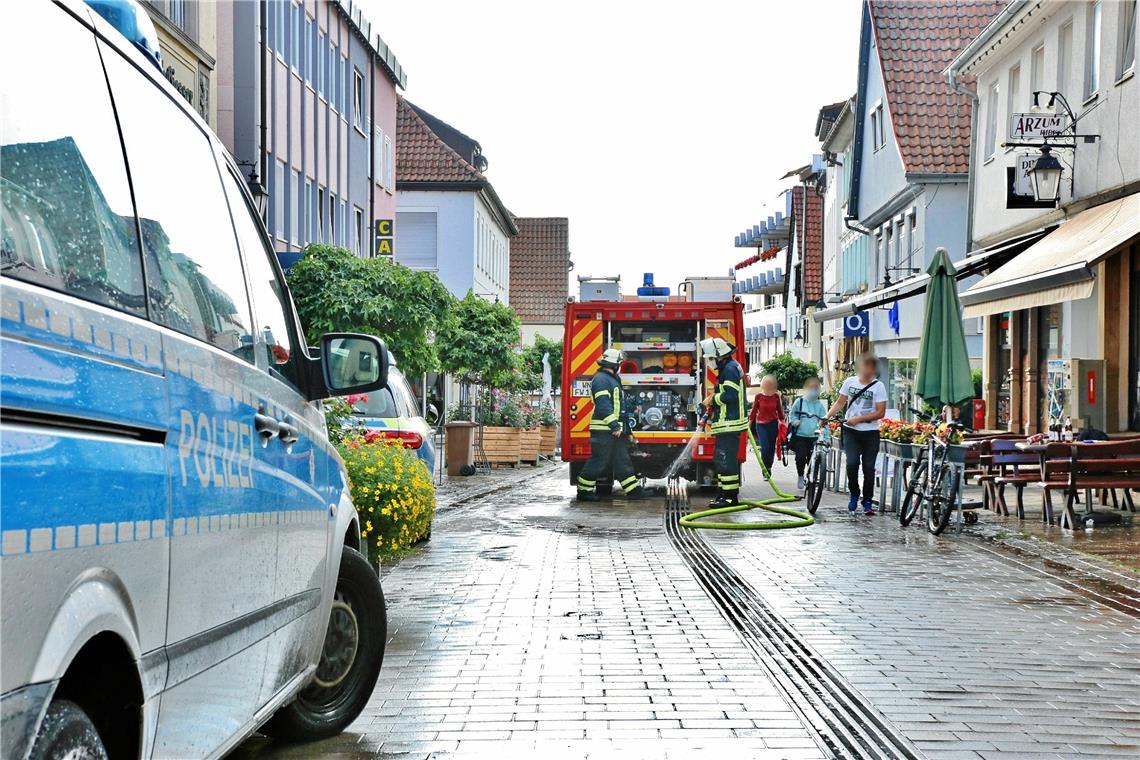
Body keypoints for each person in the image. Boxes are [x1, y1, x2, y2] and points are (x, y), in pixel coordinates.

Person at [576, 348, 645, 501]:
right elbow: (603, 406)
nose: (621, 365)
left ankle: (634, 491)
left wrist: (627, 425)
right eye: (620, 363)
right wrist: (614, 425)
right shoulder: (601, 379)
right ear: (614, 364)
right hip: (604, 430)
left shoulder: (612, 379)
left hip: (615, 430)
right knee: (599, 460)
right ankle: (584, 491)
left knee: (622, 461)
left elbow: (618, 404)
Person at [826, 354, 887, 515]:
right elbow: (840, 402)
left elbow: (881, 412)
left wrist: (860, 419)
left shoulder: (878, 386)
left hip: (871, 432)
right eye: (864, 365)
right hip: (850, 431)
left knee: (869, 467)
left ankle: (867, 500)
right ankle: (854, 493)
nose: (867, 369)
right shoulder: (850, 382)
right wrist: (827, 417)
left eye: (870, 366)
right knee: (852, 464)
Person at [700, 337, 748, 507]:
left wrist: (713, 399)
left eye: (711, 358)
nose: (709, 362)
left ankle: (729, 498)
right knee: (722, 461)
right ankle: (723, 495)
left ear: (720, 355)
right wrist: (707, 415)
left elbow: (730, 396)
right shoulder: (729, 367)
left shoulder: (729, 369)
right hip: (726, 424)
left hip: (730, 423)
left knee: (726, 461)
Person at [787, 377, 828, 491]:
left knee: (813, 460)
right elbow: (793, 414)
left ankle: (811, 478)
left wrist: (826, 437)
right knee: (800, 458)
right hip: (801, 435)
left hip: (814, 436)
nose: (813, 390)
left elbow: (824, 421)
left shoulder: (819, 405)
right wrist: (795, 421)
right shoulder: (799, 401)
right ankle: (800, 476)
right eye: (811, 387)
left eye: (816, 388)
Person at [748, 374, 784, 473]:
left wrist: (783, 423)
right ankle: (764, 468)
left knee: (771, 447)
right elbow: (754, 411)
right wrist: (749, 425)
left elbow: (780, 411)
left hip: (772, 424)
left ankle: (769, 467)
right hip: (761, 424)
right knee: (765, 447)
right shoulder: (759, 396)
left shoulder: (776, 396)